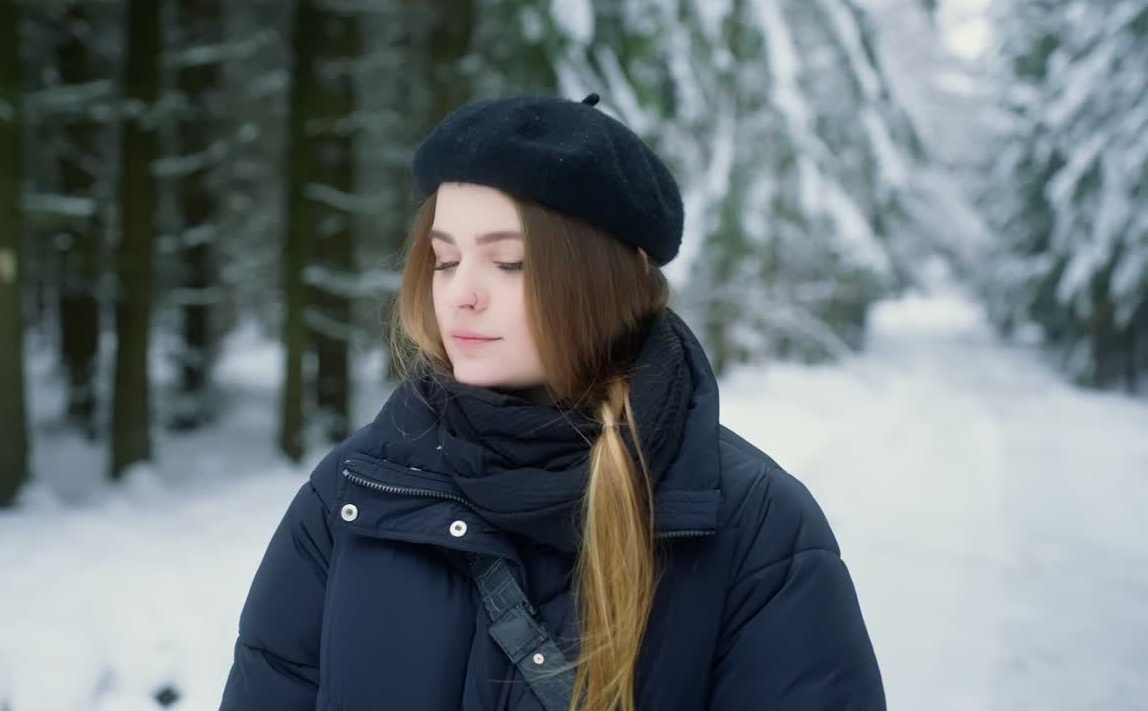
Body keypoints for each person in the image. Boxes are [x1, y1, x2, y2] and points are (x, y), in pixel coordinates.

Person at [219, 93, 885, 710]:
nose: (460, 294)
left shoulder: (756, 528)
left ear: (607, 281)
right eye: (446, 260)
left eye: (508, 263)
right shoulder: (354, 494)